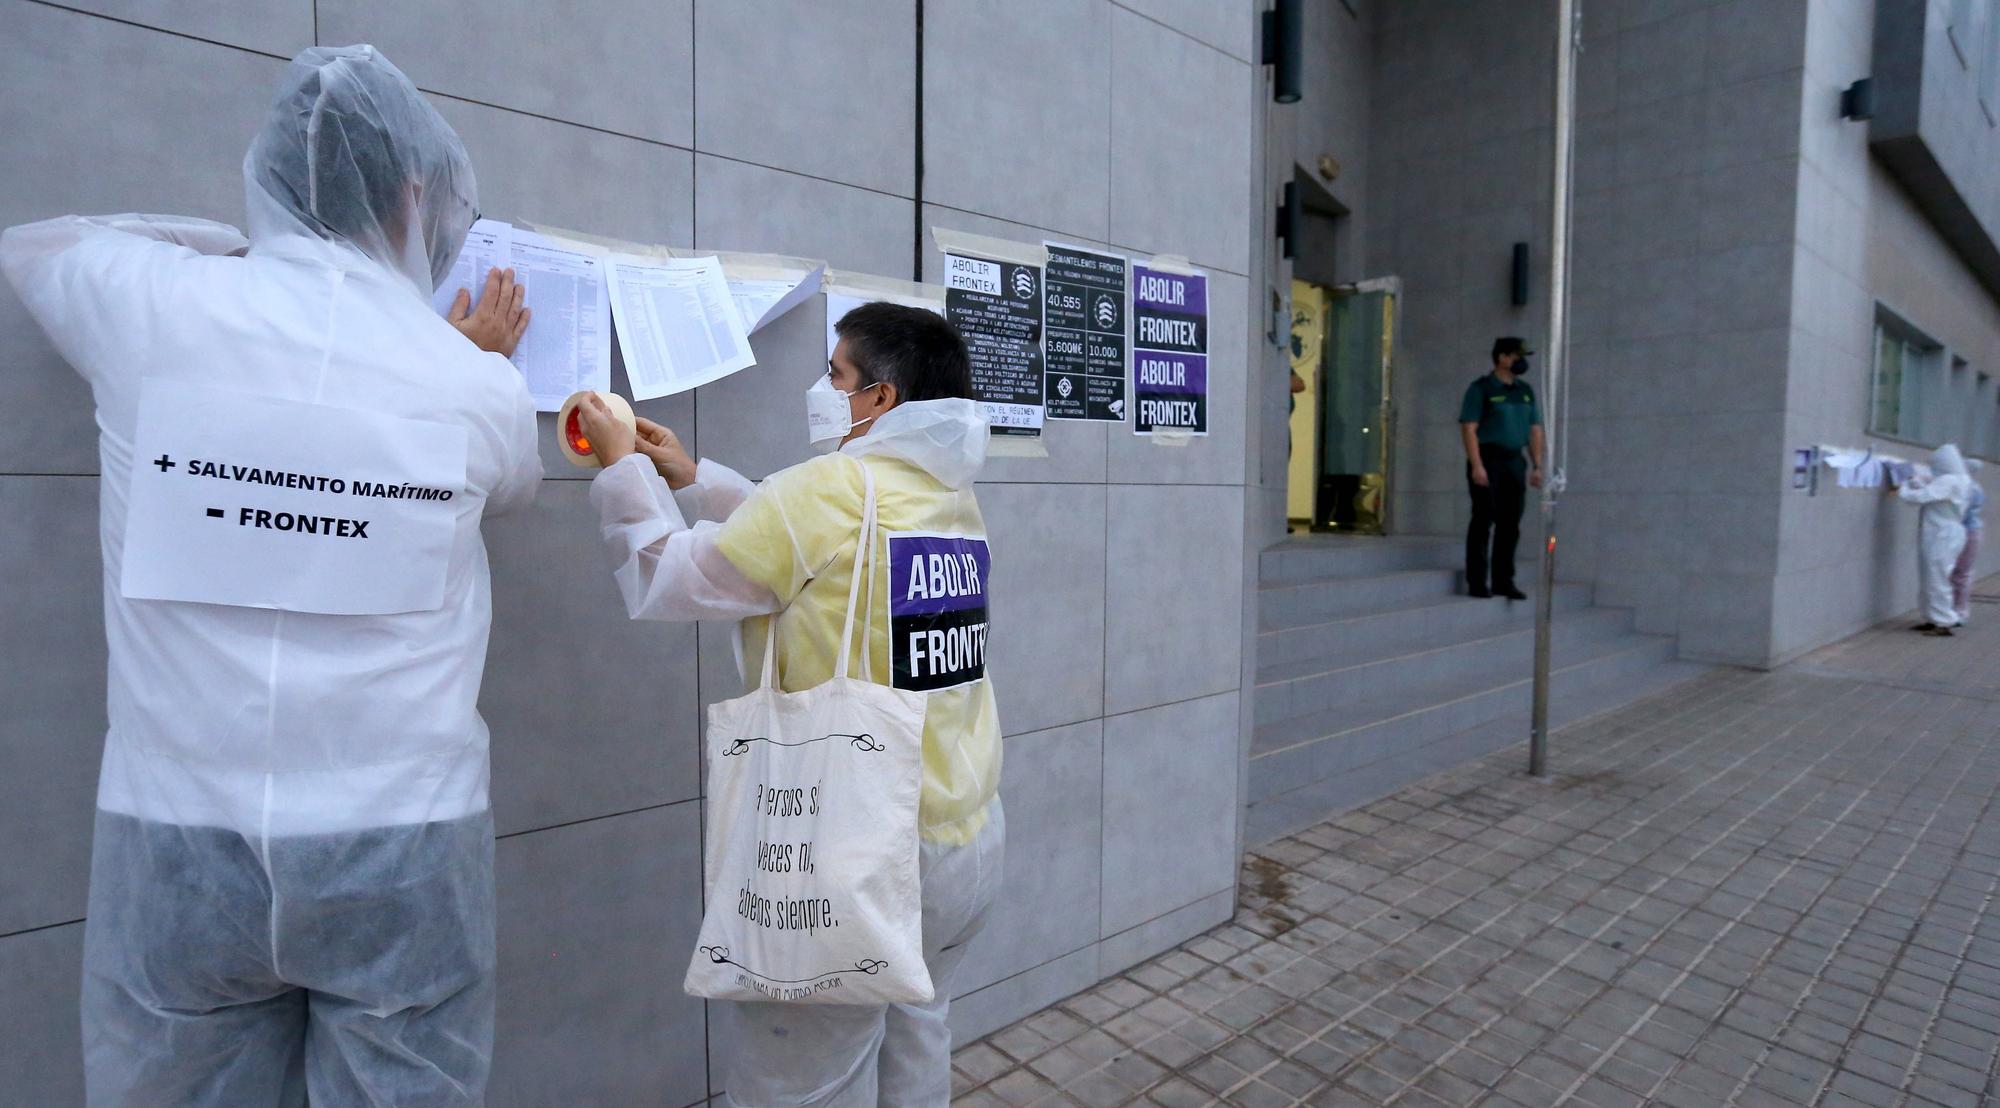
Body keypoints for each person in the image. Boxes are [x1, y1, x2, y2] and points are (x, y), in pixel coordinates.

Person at [1, 45, 540, 1105]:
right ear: (417, 193)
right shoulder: (471, 381)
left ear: (268, 178)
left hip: (175, 838)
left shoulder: (151, 304)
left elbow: (36, 245)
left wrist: (239, 246)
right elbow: (513, 489)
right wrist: (454, 346)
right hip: (404, 844)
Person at [577, 302, 1003, 1106]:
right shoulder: (947, 493)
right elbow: (818, 554)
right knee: (916, 1044)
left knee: (798, 1087)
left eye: (836, 373)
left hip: (862, 851)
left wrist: (619, 467)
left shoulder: (833, 489)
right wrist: (695, 478)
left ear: (878, 399)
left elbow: (673, 578)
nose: (823, 386)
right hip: (966, 843)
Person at [1458, 336, 1545, 599]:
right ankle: (1477, 581)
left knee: (1511, 523)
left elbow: (1534, 430)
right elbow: (1469, 428)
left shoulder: (1525, 391)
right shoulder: (1481, 389)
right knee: (1484, 519)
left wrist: (1537, 465)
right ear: (1502, 357)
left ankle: (1503, 580)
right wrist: (1477, 465)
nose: (1522, 362)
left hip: (1514, 461)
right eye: (1518, 356)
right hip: (1489, 458)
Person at [1897, 444, 1976, 636]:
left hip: (1942, 534)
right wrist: (1917, 482)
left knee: (1936, 578)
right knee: (1931, 576)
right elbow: (1933, 491)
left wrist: (1902, 487)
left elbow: (1921, 497)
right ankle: (1932, 618)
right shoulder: (1962, 480)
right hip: (1945, 532)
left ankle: (1943, 621)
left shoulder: (1949, 480)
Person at [1950, 460, 1986, 627]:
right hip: (1967, 531)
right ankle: (1956, 609)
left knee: (1962, 573)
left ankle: (1960, 611)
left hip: (1967, 532)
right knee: (1959, 574)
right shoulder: (1972, 486)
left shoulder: (1971, 488)